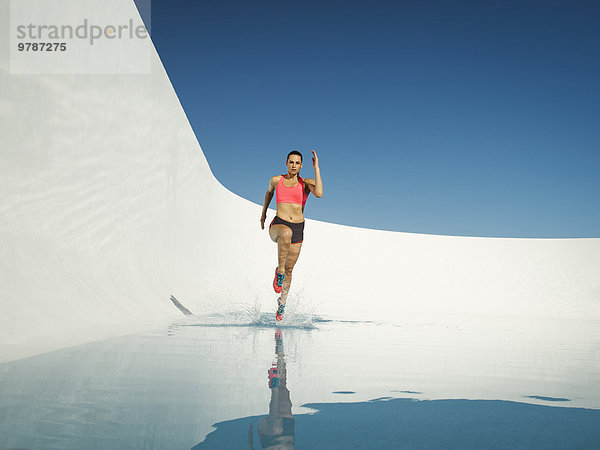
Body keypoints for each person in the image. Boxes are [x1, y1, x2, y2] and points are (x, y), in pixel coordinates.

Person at [260, 150, 323, 321]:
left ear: (301, 165)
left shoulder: (305, 183)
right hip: (279, 225)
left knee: (290, 270)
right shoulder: (276, 180)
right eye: (291, 162)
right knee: (285, 234)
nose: (294, 165)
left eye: (297, 163)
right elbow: (269, 194)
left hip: (298, 228)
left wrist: (316, 168)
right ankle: (278, 272)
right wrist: (263, 214)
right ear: (286, 163)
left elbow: (319, 193)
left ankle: (282, 304)